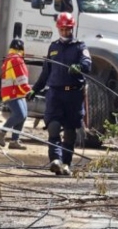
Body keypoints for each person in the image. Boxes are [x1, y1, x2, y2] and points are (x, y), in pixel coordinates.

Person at [26, 12, 91, 176]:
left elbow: (87, 63)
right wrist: (35, 89)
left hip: (73, 96)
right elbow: (46, 72)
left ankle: (66, 164)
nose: (64, 32)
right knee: (53, 127)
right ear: (58, 28)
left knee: (69, 132)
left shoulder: (80, 47)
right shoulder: (53, 47)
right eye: (62, 29)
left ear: (72, 28)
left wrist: (79, 67)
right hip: (55, 94)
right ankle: (56, 160)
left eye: (67, 29)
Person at [0, 38, 31, 150]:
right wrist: (28, 90)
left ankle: (14, 140)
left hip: (15, 92)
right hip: (13, 92)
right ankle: (2, 131)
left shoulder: (11, 58)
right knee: (20, 114)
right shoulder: (16, 59)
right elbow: (20, 78)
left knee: (23, 116)